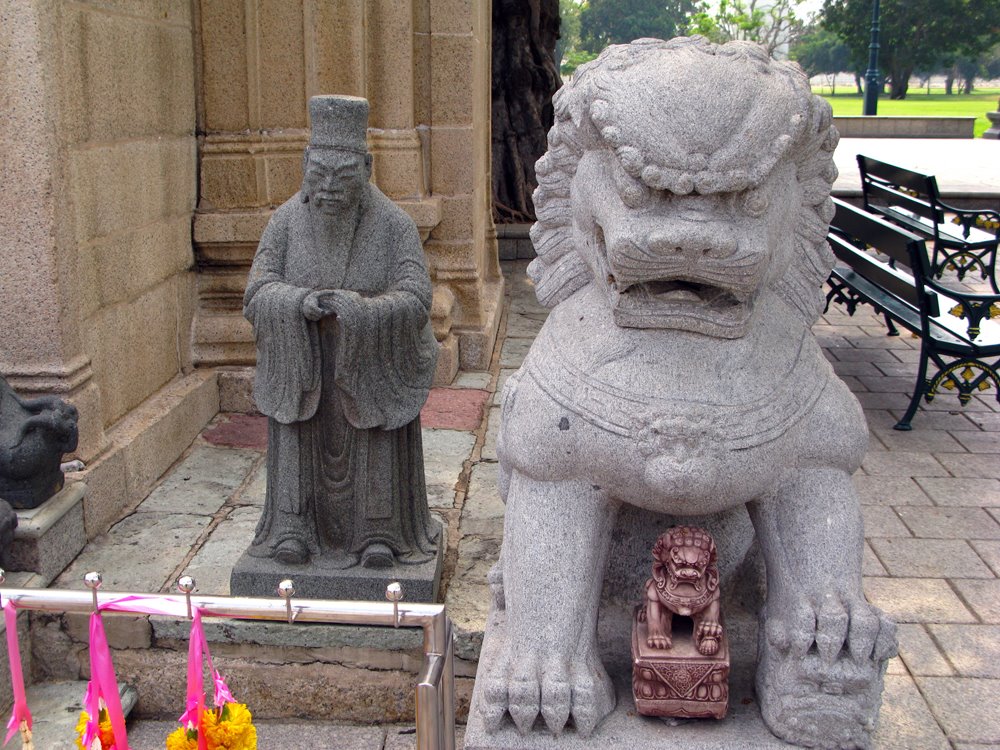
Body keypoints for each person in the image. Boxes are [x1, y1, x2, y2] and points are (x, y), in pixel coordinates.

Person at [243, 95, 440, 569]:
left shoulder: (394, 225)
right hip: (304, 364)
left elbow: (416, 297)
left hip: (368, 364)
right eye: (319, 175)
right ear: (306, 167)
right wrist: (296, 303)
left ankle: (380, 533)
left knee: (372, 435)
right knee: (295, 434)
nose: (329, 187)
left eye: (343, 176)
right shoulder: (286, 222)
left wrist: (366, 313)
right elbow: (257, 291)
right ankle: (293, 529)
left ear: (367, 169)